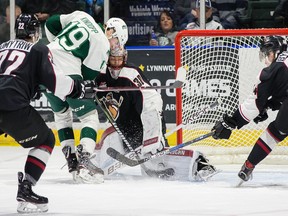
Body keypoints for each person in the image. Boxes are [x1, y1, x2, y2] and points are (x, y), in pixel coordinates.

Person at [0, 13, 92, 213]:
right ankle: (27, 188)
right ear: (34, 32)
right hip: (13, 105)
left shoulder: (1, 47)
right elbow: (55, 81)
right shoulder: (38, 49)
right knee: (46, 140)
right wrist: (79, 88)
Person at [93, 38, 218, 181]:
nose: (116, 64)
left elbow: (152, 101)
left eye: (119, 60)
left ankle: (200, 166)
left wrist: (152, 135)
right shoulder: (99, 75)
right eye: (113, 60)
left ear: (125, 58)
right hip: (122, 126)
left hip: (143, 123)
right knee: (108, 142)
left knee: (153, 155)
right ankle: (89, 165)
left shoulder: (131, 73)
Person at [44, 12, 128, 184]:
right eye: (117, 41)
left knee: (61, 115)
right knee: (89, 117)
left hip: (43, 65)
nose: (115, 46)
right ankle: (84, 161)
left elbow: (51, 23)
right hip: (66, 75)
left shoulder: (83, 16)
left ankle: (71, 159)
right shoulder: (102, 44)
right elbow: (87, 78)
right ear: (111, 33)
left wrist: (56, 47)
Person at [212, 36, 288, 183]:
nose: (267, 58)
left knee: (275, 132)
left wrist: (231, 122)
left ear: (277, 52)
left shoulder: (272, 70)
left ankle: (248, 166)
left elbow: (254, 104)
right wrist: (270, 105)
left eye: (268, 53)